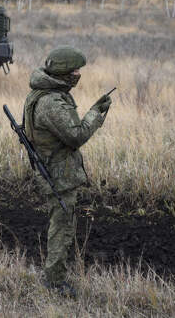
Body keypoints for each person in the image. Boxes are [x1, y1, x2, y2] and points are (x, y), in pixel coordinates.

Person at [23, 45, 111, 295]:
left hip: (53, 169)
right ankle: (54, 281)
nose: (78, 74)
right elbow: (76, 136)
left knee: (61, 223)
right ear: (62, 73)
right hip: (58, 174)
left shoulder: (42, 93)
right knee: (62, 227)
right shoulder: (51, 102)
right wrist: (96, 113)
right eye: (74, 71)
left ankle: (55, 275)